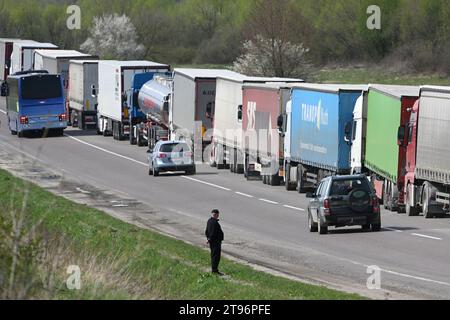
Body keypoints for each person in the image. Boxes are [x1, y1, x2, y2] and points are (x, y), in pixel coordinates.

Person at [205, 209, 224, 275]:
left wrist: (208, 238)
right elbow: (212, 233)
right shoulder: (214, 222)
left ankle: (214, 269)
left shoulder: (209, 221)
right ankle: (214, 270)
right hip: (215, 242)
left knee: (214, 256)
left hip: (213, 242)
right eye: (216, 214)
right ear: (215, 214)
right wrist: (209, 239)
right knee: (216, 257)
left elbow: (206, 231)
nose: (217, 216)